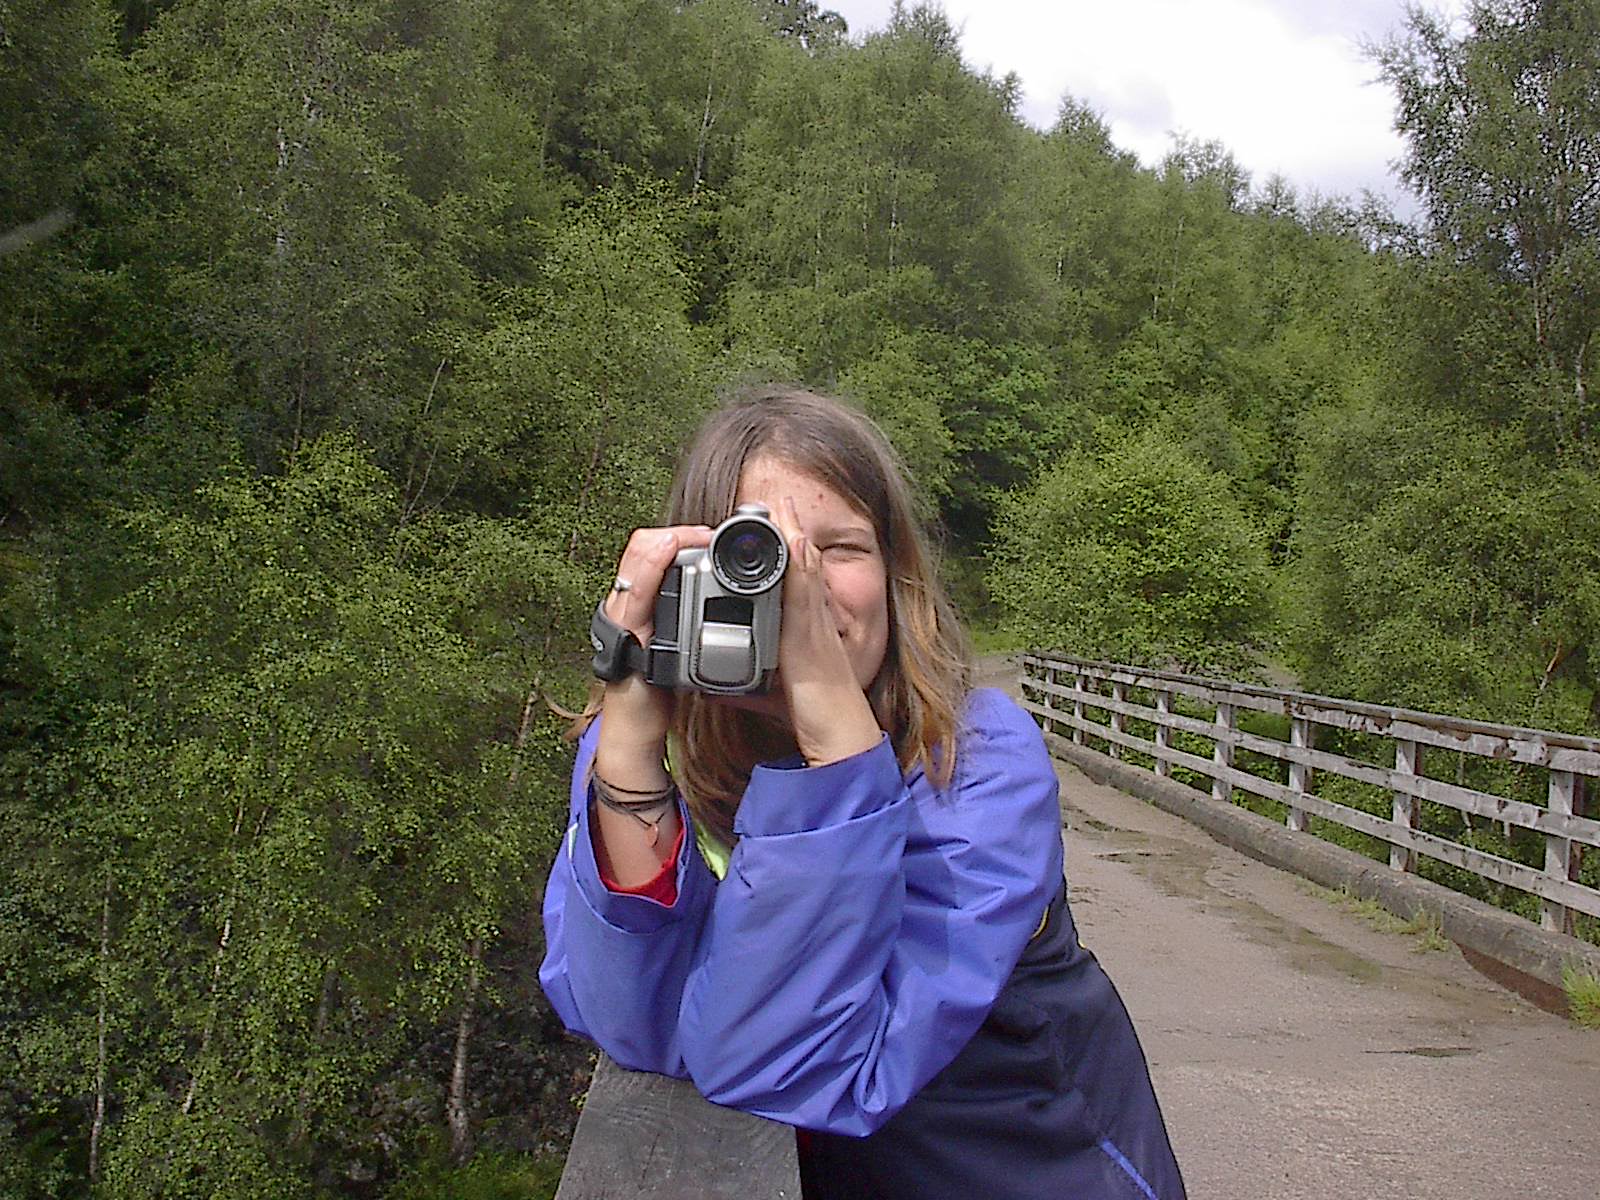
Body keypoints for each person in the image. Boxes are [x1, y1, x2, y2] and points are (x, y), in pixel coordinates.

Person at [540, 385, 1185, 1200]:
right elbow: (630, 1021)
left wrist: (834, 735)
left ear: (893, 576)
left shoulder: (977, 763)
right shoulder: (651, 754)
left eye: (838, 549)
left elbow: (785, 1066)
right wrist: (631, 742)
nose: (799, 585)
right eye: (755, 553)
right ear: (683, 580)